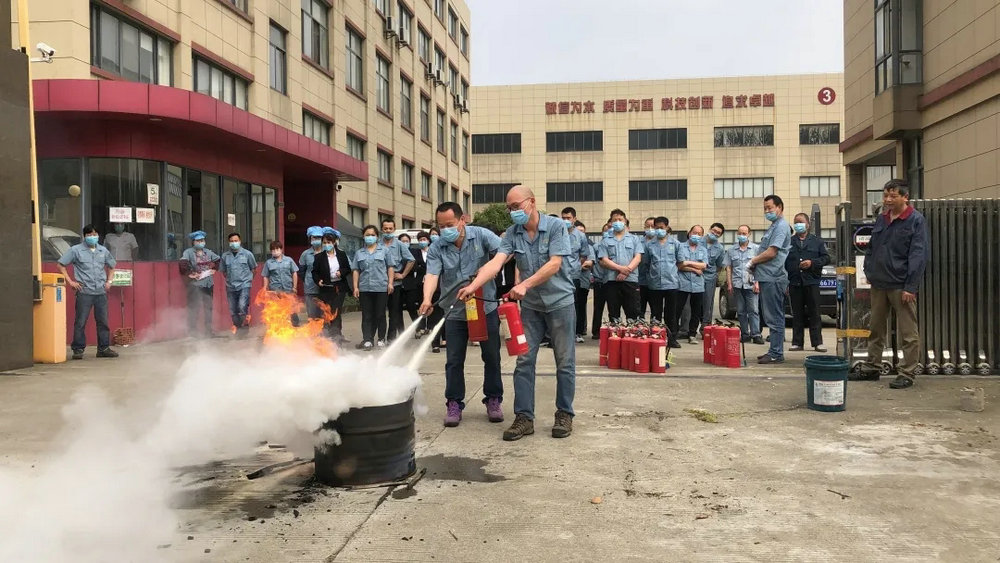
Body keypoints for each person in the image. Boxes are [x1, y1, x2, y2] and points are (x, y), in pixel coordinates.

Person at [457, 186, 576, 441]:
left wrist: (523, 284)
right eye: (508, 208)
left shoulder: (556, 227)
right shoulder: (513, 233)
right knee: (523, 362)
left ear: (531, 202)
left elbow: (555, 263)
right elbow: (496, 262)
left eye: (516, 206)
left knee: (564, 363)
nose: (512, 212)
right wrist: (473, 286)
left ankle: (564, 413)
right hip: (531, 308)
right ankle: (524, 417)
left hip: (560, 303)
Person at [419, 202, 504, 427]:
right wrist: (428, 299)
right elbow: (432, 274)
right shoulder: (437, 247)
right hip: (454, 310)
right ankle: (454, 402)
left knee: (492, 356)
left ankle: (493, 399)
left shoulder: (482, 236)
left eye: (450, 224)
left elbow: (505, 253)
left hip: (484, 308)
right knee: (454, 360)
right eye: (440, 225)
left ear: (462, 220)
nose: (445, 229)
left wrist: (489, 270)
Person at [859, 179, 929, 389]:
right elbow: (872, 247)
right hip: (879, 283)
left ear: (905, 197)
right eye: (886, 196)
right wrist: (869, 271)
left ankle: (907, 372)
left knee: (908, 331)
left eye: (893, 196)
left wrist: (910, 286)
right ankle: (873, 367)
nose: (888, 200)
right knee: (876, 328)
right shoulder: (883, 218)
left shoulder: (915, 221)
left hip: (900, 284)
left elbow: (918, 255)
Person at [57, 224, 119, 360]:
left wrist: (109, 282)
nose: (92, 237)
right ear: (84, 236)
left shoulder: (103, 250)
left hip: (100, 292)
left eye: (95, 234)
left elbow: (112, 266)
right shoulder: (75, 250)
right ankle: (78, 349)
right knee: (80, 321)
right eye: (89, 235)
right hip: (84, 291)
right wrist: (70, 282)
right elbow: (61, 264)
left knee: (103, 321)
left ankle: (103, 348)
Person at [749, 195, 792, 364]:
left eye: (770, 207)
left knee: (774, 317)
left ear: (780, 207)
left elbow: (772, 252)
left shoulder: (781, 226)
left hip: (774, 277)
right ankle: (774, 350)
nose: (767, 211)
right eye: (765, 208)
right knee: (771, 316)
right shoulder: (774, 226)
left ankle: (776, 352)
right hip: (767, 276)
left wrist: (753, 261)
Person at [785, 213, 829, 353]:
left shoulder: (817, 242)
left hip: (812, 282)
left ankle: (817, 342)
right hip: (795, 282)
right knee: (797, 314)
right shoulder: (789, 242)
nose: (798, 225)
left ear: (808, 224)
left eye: (801, 222)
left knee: (814, 313)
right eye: (796, 222)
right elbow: (783, 262)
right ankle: (797, 342)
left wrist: (812, 263)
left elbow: (826, 258)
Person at [596, 209, 644, 322]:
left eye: (620, 219)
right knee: (614, 314)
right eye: (615, 220)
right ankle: (615, 338)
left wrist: (627, 271)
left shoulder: (634, 239)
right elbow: (604, 259)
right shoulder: (605, 241)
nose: (618, 222)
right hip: (612, 280)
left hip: (630, 280)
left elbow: (638, 257)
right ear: (611, 223)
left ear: (625, 221)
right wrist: (621, 269)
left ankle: (632, 338)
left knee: (633, 313)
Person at [352, 225, 394, 350]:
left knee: (380, 314)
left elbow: (390, 267)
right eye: (367, 235)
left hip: (381, 287)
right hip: (365, 288)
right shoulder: (359, 253)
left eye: (372, 235)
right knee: (367, 315)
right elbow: (355, 270)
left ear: (377, 236)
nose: (370, 237)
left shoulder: (384, 251)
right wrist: (355, 287)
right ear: (363, 237)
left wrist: (390, 283)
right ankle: (367, 339)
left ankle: (381, 338)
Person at [646, 216, 682, 348]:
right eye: (657, 228)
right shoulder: (649, 245)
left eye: (661, 228)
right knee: (656, 313)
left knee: (671, 313)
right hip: (655, 284)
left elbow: (680, 262)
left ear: (667, 227)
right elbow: (647, 263)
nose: (659, 230)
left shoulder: (675, 244)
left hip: (671, 283)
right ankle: (656, 336)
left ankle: (671, 338)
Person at [560, 207, 594, 343]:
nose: (566, 221)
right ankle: (561, 333)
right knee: (560, 305)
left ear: (574, 218)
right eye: (563, 218)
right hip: (559, 275)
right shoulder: (557, 232)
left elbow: (583, 255)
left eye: (568, 218)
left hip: (574, 275)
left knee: (575, 304)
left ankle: (576, 332)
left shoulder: (580, 236)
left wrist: (576, 266)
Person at [725, 225, 764, 344]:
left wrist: (757, 282)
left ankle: (756, 334)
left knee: (754, 310)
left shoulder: (756, 249)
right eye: (740, 233)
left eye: (744, 233)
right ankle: (745, 334)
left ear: (749, 234)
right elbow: (728, 268)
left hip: (751, 284)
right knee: (741, 311)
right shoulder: (731, 250)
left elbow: (759, 267)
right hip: (737, 284)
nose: (742, 235)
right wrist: (729, 284)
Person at [312, 231, 351, 342]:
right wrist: (318, 281)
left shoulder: (342, 254)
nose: (326, 245)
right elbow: (314, 272)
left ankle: (337, 334)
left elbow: (347, 268)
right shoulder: (319, 257)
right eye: (324, 243)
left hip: (339, 287)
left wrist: (341, 272)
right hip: (326, 288)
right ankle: (327, 334)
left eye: (328, 242)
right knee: (327, 311)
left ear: (334, 243)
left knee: (336, 311)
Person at [179, 230, 219, 336]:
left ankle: (208, 331)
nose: (201, 242)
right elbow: (183, 264)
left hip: (208, 283)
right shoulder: (188, 252)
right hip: (195, 285)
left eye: (202, 240)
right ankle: (192, 331)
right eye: (198, 240)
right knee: (194, 307)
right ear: (193, 242)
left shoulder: (208, 252)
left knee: (208, 307)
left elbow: (218, 260)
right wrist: (191, 273)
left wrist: (214, 269)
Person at [380, 218, 414, 342]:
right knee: (380, 312)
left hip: (396, 283)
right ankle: (380, 337)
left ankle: (391, 338)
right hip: (380, 283)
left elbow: (411, 260)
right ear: (381, 230)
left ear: (394, 230)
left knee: (394, 312)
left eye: (390, 229)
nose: (388, 231)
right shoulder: (378, 244)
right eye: (385, 229)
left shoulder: (399, 245)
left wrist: (403, 274)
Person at [219, 232, 257, 338]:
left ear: (240, 241)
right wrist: (230, 280)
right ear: (228, 242)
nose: (234, 243)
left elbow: (254, 269)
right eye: (231, 241)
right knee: (232, 309)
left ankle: (243, 329)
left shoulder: (247, 254)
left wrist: (248, 281)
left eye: (236, 241)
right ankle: (238, 327)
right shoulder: (225, 256)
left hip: (244, 285)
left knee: (242, 306)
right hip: (230, 286)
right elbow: (224, 271)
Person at [676, 226, 708, 345]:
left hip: (698, 285)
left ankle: (692, 334)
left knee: (696, 311)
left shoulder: (703, 250)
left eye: (700, 234)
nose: (696, 235)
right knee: (677, 310)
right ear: (689, 233)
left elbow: (704, 266)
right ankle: (673, 333)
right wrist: (695, 269)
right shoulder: (680, 247)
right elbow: (679, 265)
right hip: (682, 284)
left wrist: (687, 263)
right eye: (695, 232)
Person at [701, 223, 727, 332]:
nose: (715, 233)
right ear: (710, 229)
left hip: (709, 277)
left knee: (708, 303)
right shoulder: (699, 241)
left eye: (718, 233)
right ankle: (687, 329)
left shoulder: (720, 248)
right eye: (714, 230)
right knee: (691, 303)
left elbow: (719, 266)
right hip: (693, 275)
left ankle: (705, 328)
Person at [298, 226, 326, 326]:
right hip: (310, 290)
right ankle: (313, 337)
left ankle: (325, 338)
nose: (316, 240)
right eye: (314, 238)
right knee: (312, 315)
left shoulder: (327, 252)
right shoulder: (305, 254)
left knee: (324, 315)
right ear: (310, 239)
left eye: (318, 238)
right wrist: (308, 281)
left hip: (325, 289)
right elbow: (301, 271)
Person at [590, 222, 612, 338]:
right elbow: (593, 262)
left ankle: (613, 329)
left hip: (611, 280)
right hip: (599, 281)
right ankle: (596, 331)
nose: (608, 232)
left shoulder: (614, 246)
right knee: (598, 307)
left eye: (610, 229)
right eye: (605, 230)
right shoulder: (596, 247)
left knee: (612, 307)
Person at [400, 233, 424, 323]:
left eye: (407, 241)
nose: (405, 243)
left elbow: (415, 267)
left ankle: (418, 326)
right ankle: (400, 331)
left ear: (410, 242)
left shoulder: (414, 252)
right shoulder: (396, 252)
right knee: (397, 310)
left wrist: (403, 271)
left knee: (411, 307)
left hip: (410, 284)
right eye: (403, 241)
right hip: (397, 284)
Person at [637, 216, 656, 319]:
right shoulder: (638, 242)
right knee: (640, 308)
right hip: (641, 280)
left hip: (655, 282)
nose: (650, 228)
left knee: (655, 309)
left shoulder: (660, 242)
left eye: (652, 226)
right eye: (647, 226)